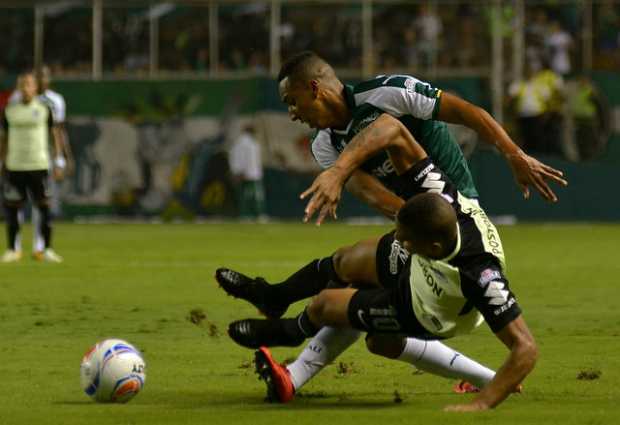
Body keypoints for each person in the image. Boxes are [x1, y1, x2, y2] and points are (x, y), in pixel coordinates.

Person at [216, 51, 564, 401]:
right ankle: (277, 301)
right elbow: (371, 193)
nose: (292, 113)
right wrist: (409, 227)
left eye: (293, 102)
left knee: (361, 293)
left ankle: (291, 347)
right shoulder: (324, 143)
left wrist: (514, 154)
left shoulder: (390, 93)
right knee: (351, 270)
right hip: (415, 219)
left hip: (449, 210)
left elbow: (468, 114)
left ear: (314, 88)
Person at [229, 150, 536, 411]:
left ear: (432, 248)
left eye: (406, 240)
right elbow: (396, 131)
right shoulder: (442, 198)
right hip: (423, 264)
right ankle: (275, 297)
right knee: (346, 260)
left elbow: (526, 349)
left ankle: (288, 332)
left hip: (429, 308)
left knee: (341, 316)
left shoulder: (480, 274)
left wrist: (484, 403)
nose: (398, 242)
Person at [0, 72, 65, 263]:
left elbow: (55, 134)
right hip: (15, 165)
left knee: (44, 208)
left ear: (35, 88)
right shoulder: (9, 111)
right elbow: (4, 139)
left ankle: (45, 249)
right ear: (19, 89)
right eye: (22, 85)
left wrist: (59, 158)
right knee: (12, 209)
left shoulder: (45, 109)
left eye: (29, 84)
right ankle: (13, 249)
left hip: (39, 165)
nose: (25, 88)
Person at [228, 123, 266, 220]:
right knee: (255, 197)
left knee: (245, 196)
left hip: (246, 173)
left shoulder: (241, 143)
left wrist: (236, 172)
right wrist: (241, 172)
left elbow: (235, 158)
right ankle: (255, 215)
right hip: (250, 175)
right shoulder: (247, 144)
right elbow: (243, 159)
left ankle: (246, 215)